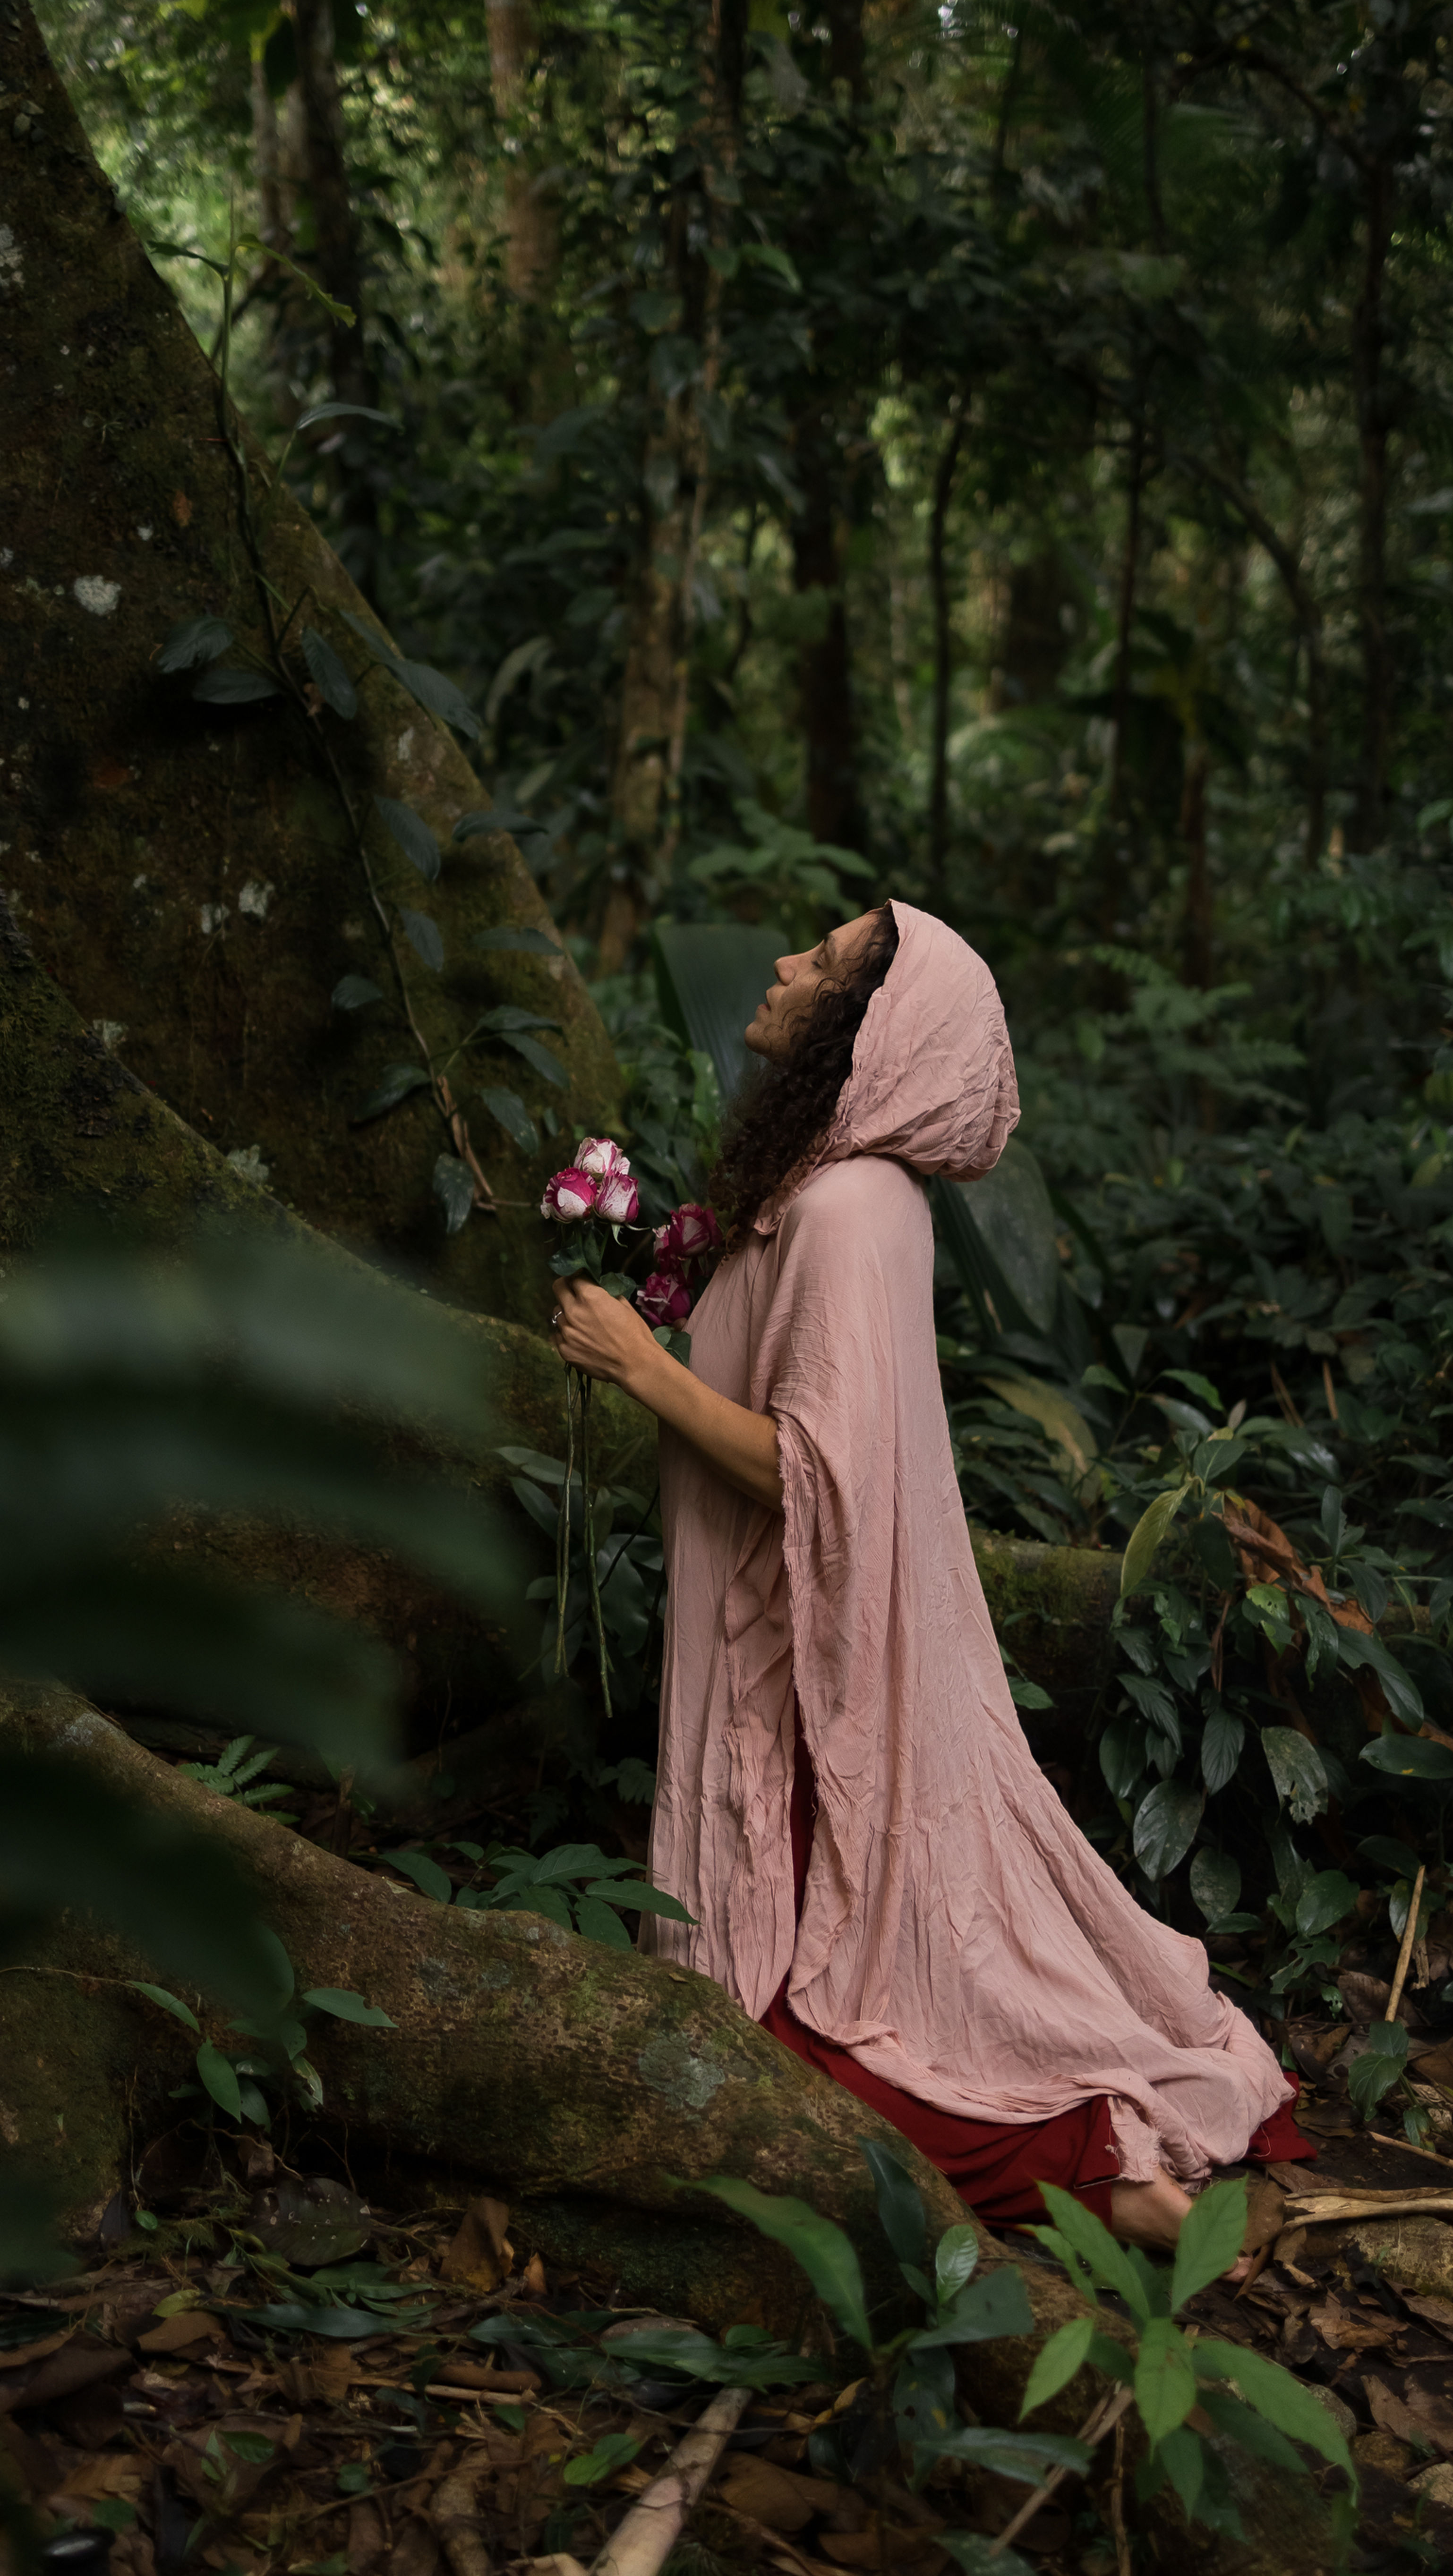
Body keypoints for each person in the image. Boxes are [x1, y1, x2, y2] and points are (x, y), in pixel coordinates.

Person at [547, 901, 1309, 2254]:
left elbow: (814, 1476)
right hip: (757, 1636)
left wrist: (641, 1369)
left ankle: (1099, 2176)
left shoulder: (847, 1208)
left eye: (825, 963)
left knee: (790, 2028)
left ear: (873, 1028)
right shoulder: (833, 1189)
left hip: (787, 1672)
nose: (784, 963)